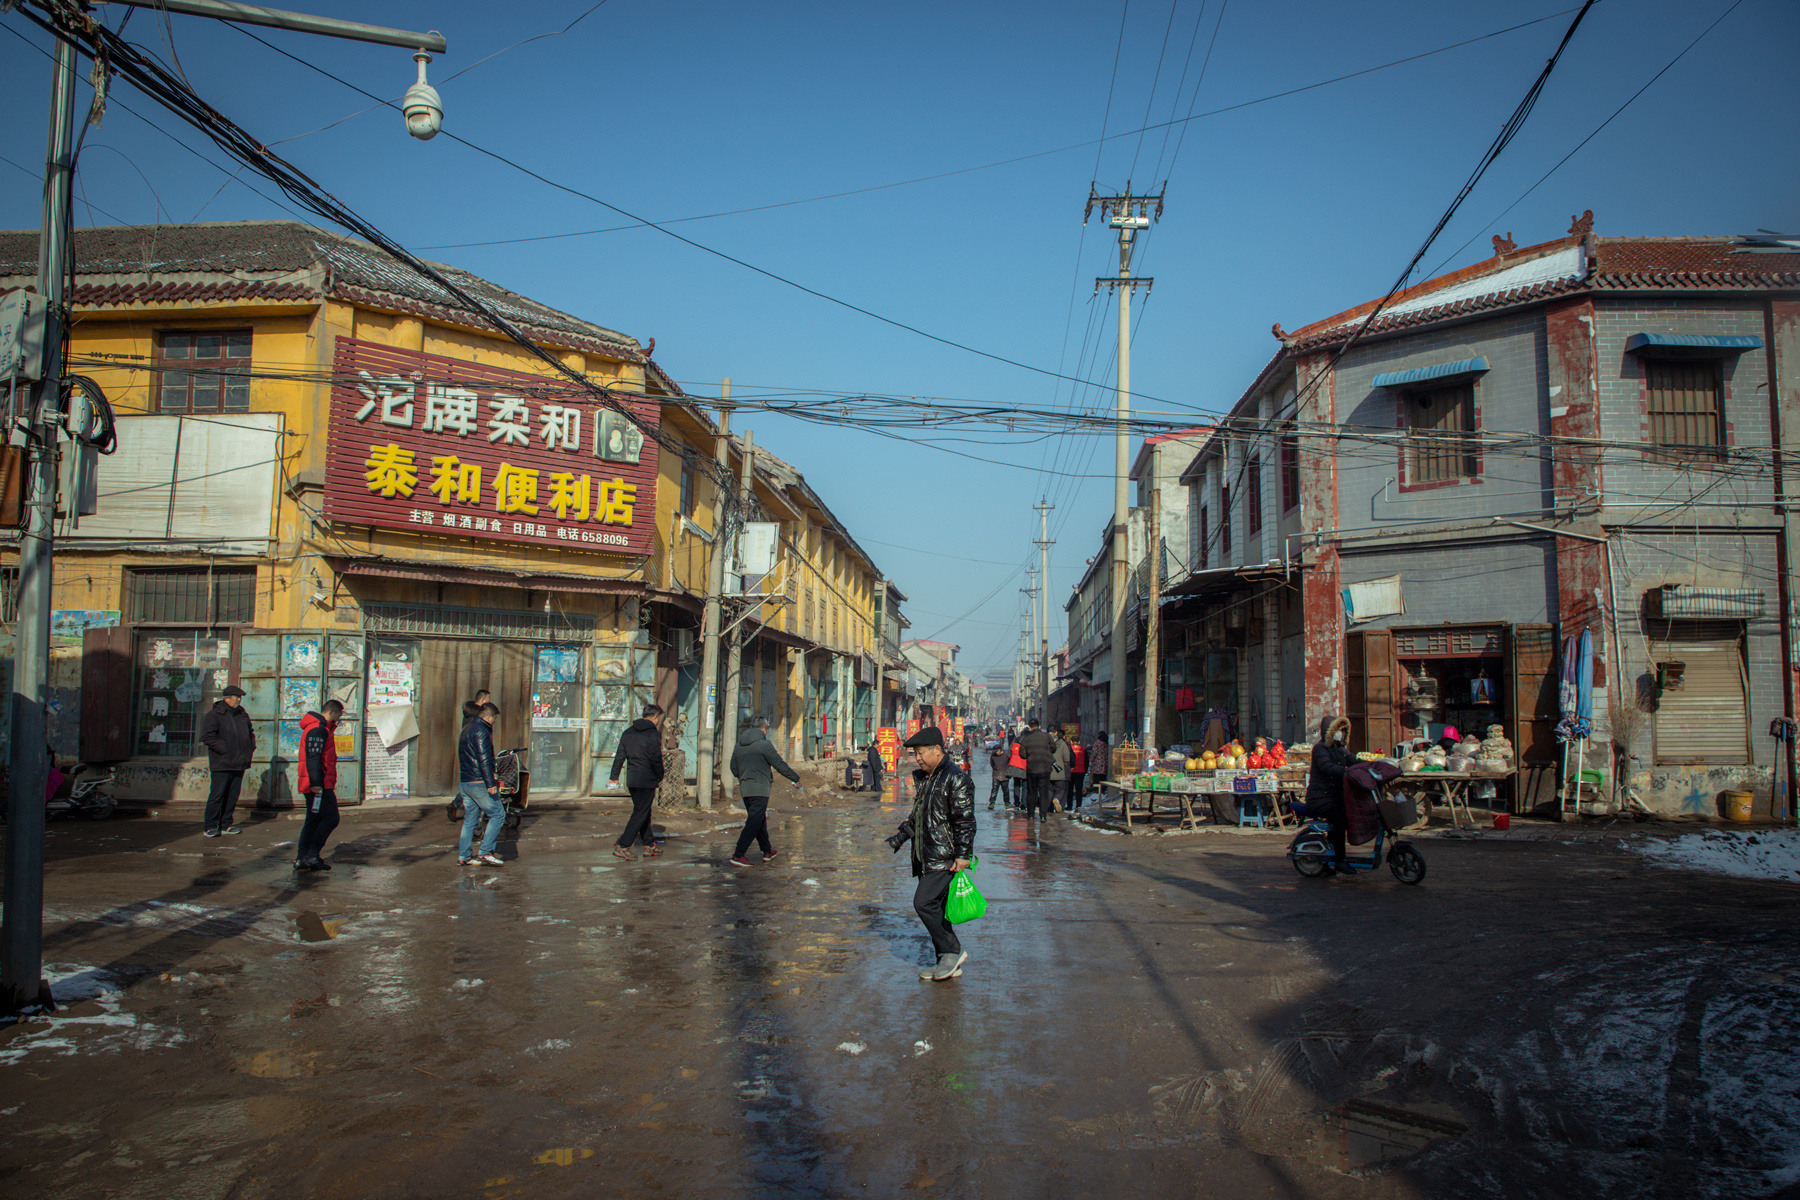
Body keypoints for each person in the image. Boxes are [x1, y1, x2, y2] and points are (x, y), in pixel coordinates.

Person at [884, 725, 975, 982]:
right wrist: (899, 838)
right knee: (937, 906)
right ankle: (945, 961)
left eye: (921, 753)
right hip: (926, 854)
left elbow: (965, 820)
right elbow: (918, 817)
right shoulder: (928, 779)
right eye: (915, 754)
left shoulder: (955, 778)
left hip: (944, 856)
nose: (918, 758)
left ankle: (951, 951)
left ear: (937, 750)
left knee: (922, 903)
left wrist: (963, 854)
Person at [730, 715, 801, 866]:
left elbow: (733, 768)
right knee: (754, 821)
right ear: (764, 728)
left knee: (759, 819)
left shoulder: (738, 745)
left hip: (745, 788)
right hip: (760, 788)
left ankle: (767, 851)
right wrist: (795, 777)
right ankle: (738, 854)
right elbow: (779, 764)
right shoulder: (764, 745)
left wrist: (744, 777)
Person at [609, 704, 666, 861]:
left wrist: (614, 776)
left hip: (632, 779)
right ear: (655, 718)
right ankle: (623, 845)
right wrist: (660, 775)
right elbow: (656, 758)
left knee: (643, 811)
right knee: (640, 813)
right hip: (647, 779)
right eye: (659, 719)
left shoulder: (628, 732)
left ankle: (649, 845)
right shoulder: (652, 734)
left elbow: (620, 756)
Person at [199, 685, 255, 837]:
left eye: (240, 697)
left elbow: (250, 733)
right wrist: (225, 749)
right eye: (236, 697)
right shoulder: (215, 715)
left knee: (232, 795)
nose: (239, 700)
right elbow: (207, 736)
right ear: (227, 698)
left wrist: (250, 748)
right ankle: (210, 825)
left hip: (239, 761)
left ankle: (226, 823)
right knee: (218, 794)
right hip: (222, 762)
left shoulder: (242, 714)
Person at [295, 699, 343, 872]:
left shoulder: (318, 728)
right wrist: (316, 783)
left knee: (313, 820)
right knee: (331, 818)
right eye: (338, 716)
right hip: (318, 784)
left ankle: (302, 857)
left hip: (316, 782)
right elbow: (314, 757)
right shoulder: (318, 729)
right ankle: (311, 855)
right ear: (332, 712)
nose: (338, 720)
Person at [457, 702, 506, 867]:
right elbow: (483, 758)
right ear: (488, 716)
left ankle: (464, 856)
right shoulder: (481, 731)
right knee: (498, 814)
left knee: (470, 819)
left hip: (466, 781)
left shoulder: (466, 729)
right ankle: (485, 852)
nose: (494, 722)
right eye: (494, 718)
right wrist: (490, 782)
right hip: (479, 782)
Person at [1305, 715, 1354, 874]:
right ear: (1329, 731)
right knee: (1340, 820)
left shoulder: (1340, 750)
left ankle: (1333, 854)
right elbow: (1327, 767)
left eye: (1341, 731)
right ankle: (1340, 860)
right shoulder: (1320, 749)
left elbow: (1354, 761)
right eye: (1337, 730)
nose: (1340, 733)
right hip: (1320, 798)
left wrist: (1373, 765)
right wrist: (1346, 772)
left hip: (1334, 798)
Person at [1017, 718, 1056, 820]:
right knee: (1044, 793)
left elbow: (1022, 755)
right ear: (1039, 726)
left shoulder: (1026, 739)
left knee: (1031, 793)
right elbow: (1053, 748)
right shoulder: (1047, 737)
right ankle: (1043, 815)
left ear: (1029, 728)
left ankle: (1030, 815)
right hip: (1045, 769)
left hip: (1032, 770)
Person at [1049, 726, 1072, 813]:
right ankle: (1057, 799)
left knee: (1049, 790)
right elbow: (1067, 759)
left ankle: (1049, 808)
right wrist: (1062, 766)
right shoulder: (1063, 744)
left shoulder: (1046, 743)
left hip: (1048, 771)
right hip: (1059, 771)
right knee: (1060, 789)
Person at [1005, 730, 1028, 809]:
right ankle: (1024, 803)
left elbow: (1009, 753)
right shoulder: (1028, 741)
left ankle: (1017, 802)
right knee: (1025, 786)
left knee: (1016, 784)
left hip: (1014, 765)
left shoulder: (1015, 740)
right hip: (1025, 766)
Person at [986, 739, 1010, 809]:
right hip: (996, 775)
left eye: (997, 751)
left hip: (1005, 775)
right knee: (994, 790)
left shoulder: (1006, 755)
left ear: (1000, 750)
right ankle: (992, 803)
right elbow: (992, 764)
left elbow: (1009, 764)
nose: (996, 753)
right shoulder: (993, 756)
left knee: (1006, 791)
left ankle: (1007, 803)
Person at [1087, 731, 1110, 802]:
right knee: (1103, 777)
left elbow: (1094, 752)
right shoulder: (1107, 743)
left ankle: (1096, 791)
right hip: (1105, 762)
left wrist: (1091, 760)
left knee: (1096, 777)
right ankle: (1103, 790)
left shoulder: (1098, 743)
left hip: (1097, 763)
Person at [1068, 735, 1087, 813]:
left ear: (1071, 742)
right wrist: (1085, 771)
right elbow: (1086, 761)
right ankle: (1078, 806)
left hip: (1071, 771)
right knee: (1079, 790)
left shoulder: (1069, 749)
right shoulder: (1083, 750)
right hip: (1080, 772)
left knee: (1070, 790)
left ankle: (1069, 806)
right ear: (1079, 742)